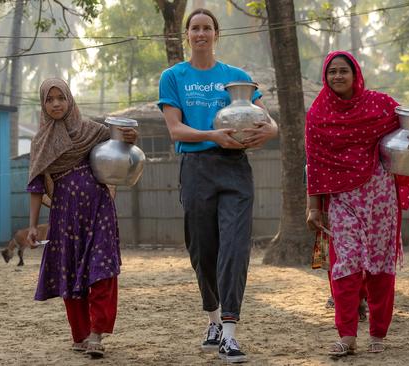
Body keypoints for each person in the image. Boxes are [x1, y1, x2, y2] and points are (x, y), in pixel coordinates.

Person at [305, 51, 409, 357]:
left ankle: (378, 334)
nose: (338, 77)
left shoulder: (380, 103)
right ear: (325, 76)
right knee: (345, 265)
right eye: (332, 72)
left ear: (356, 74)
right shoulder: (318, 114)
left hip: (380, 198)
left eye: (344, 71)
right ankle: (346, 336)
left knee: (380, 265)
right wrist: (313, 207)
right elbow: (314, 163)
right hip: (342, 200)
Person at [158, 8, 278, 364]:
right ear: (187, 34)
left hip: (235, 169)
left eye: (207, 28)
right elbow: (175, 130)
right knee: (202, 250)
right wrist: (213, 135)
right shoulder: (173, 76)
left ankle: (229, 333)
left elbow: (269, 123)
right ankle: (212, 317)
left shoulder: (236, 76)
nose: (201, 34)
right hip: (195, 167)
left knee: (235, 247)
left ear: (216, 34)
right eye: (195, 28)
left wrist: (266, 133)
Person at [26, 78, 138, 358]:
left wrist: (129, 139)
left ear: (70, 99)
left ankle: (97, 334)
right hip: (65, 216)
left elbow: (119, 147)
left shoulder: (92, 130)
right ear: (43, 104)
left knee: (101, 269)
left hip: (99, 209)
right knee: (70, 272)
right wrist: (31, 226)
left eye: (60, 98)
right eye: (49, 99)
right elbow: (36, 186)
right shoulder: (40, 142)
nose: (55, 104)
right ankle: (80, 334)